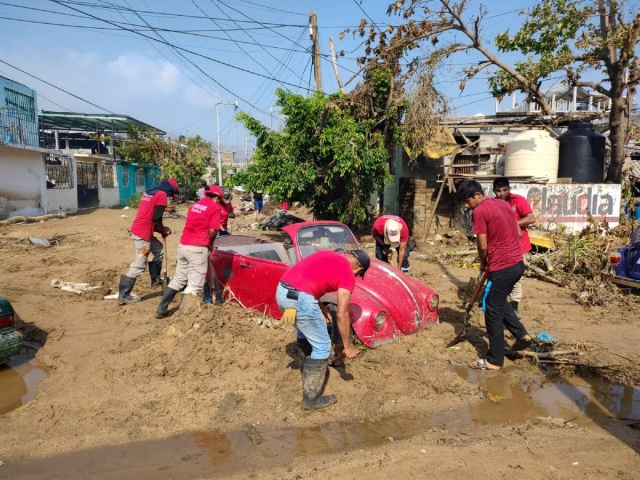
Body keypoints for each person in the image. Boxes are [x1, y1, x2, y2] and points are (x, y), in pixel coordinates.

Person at [276, 249, 370, 410]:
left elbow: (307, 279)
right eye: (358, 274)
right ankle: (311, 399)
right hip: (302, 299)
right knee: (322, 347)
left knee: (305, 331)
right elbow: (342, 313)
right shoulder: (348, 273)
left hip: (282, 292)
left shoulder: (327, 254)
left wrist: (319, 305)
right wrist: (347, 346)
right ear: (359, 268)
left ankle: (307, 368)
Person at [456, 179, 532, 371]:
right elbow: (518, 232)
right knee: (498, 301)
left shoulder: (479, 211)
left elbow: (482, 245)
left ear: (478, 195)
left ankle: (494, 360)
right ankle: (522, 335)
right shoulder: (504, 204)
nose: (467, 205)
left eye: (467, 200)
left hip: (503, 267)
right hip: (517, 264)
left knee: (492, 309)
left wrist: (484, 262)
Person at [155, 185, 225, 318]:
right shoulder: (215, 208)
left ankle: (161, 308)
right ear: (216, 198)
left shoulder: (195, 205)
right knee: (195, 285)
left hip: (183, 245)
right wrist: (209, 244)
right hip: (198, 247)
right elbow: (212, 231)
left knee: (179, 278)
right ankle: (184, 316)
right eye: (219, 199)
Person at [118, 178, 179, 306]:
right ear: (168, 190)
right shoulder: (161, 195)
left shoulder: (150, 192)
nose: (169, 197)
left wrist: (161, 229)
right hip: (142, 234)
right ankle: (124, 295)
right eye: (170, 194)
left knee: (159, 250)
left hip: (141, 229)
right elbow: (156, 219)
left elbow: (151, 216)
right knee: (140, 264)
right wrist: (163, 229)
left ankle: (155, 279)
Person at [493, 177, 536, 318]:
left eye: (504, 190)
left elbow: (531, 218)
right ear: (494, 191)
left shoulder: (517, 200)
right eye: (498, 191)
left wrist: (513, 223)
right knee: (502, 275)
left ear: (509, 189)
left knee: (516, 276)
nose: (502, 193)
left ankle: (514, 303)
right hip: (501, 245)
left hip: (519, 244)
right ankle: (503, 303)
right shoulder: (493, 204)